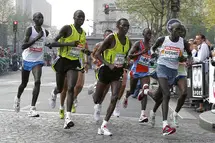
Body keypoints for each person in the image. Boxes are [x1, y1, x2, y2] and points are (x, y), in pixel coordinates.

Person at [149, 22, 191, 136]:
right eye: (177, 29)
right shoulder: (163, 39)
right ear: (170, 30)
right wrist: (153, 54)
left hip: (174, 71)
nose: (179, 32)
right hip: (162, 69)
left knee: (159, 96)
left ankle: (152, 109)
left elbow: (190, 55)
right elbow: (153, 48)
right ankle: (165, 125)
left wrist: (188, 60)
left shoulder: (184, 42)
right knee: (166, 95)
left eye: (180, 30)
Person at [47, 10, 87, 129]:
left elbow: (80, 48)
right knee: (60, 88)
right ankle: (54, 93)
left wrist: (86, 52)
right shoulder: (67, 28)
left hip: (74, 63)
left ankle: (68, 118)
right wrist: (70, 44)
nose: (81, 19)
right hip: (62, 61)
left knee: (70, 88)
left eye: (83, 17)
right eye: (79, 16)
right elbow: (53, 43)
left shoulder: (83, 33)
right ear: (73, 17)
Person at [93, 18, 131, 136]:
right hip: (106, 70)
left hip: (117, 72)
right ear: (117, 26)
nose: (125, 28)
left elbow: (125, 57)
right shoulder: (111, 38)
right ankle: (95, 89)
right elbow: (97, 54)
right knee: (97, 99)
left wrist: (126, 63)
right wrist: (108, 64)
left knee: (114, 97)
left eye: (127, 26)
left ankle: (104, 125)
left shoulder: (128, 42)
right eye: (123, 25)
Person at [13, 12, 49, 117]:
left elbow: (45, 43)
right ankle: (18, 98)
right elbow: (24, 46)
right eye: (38, 17)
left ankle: (32, 108)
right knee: (24, 84)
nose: (40, 19)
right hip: (27, 59)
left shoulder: (45, 32)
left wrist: (51, 44)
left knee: (37, 82)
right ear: (34, 19)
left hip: (38, 60)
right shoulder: (30, 30)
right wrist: (36, 38)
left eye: (42, 17)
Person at [90, 29, 127, 122]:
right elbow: (94, 55)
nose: (108, 37)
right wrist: (95, 61)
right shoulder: (99, 45)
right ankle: (97, 100)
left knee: (113, 89)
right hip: (102, 68)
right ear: (104, 36)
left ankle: (103, 107)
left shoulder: (116, 43)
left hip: (115, 69)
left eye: (110, 35)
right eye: (106, 36)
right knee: (102, 91)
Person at [123, 28, 152, 123]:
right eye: (147, 33)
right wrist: (141, 52)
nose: (149, 34)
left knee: (146, 89)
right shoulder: (138, 44)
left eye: (150, 33)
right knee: (132, 91)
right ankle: (127, 95)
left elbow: (149, 58)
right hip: (136, 71)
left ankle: (142, 114)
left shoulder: (151, 46)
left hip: (145, 72)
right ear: (143, 34)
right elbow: (130, 56)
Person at [58, 42, 90, 119]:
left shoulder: (82, 39)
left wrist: (86, 62)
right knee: (65, 88)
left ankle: (73, 99)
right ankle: (61, 107)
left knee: (79, 85)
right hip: (67, 63)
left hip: (79, 63)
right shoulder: (67, 38)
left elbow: (85, 50)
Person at [169, 24, 189, 127]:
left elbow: (190, 56)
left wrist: (188, 60)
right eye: (180, 31)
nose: (182, 33)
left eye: (183, 32)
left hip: (181, 73)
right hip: (169, 71)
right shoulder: (169, 41)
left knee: (184, 93)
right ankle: (153, 111)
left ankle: (175, 114)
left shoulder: (185, 44)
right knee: (160, 96)